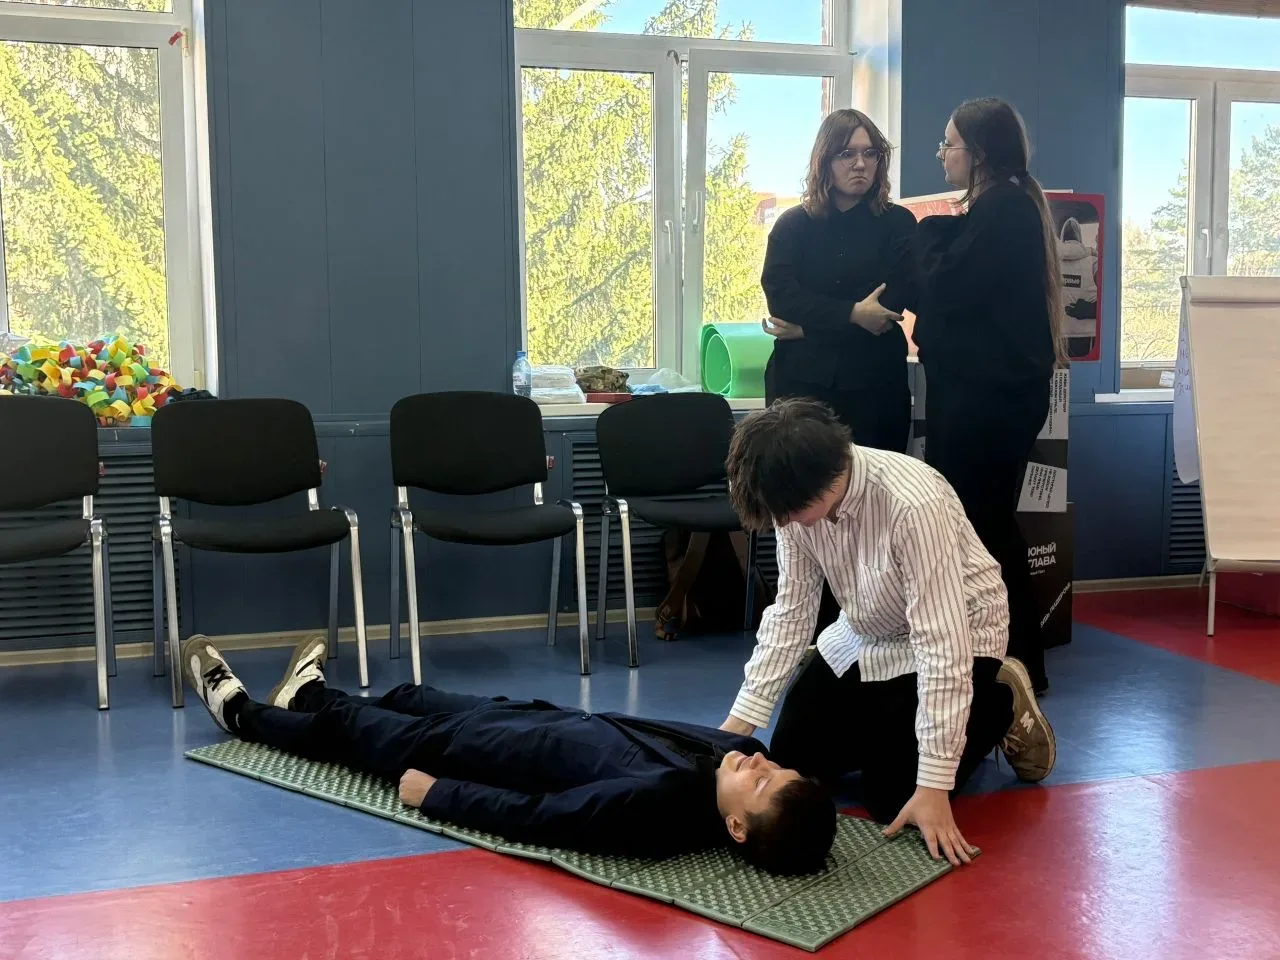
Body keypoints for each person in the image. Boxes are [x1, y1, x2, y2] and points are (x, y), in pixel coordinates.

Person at [718, 399, 1056, 867]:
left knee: (894, 796)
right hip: (864, 631)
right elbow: (791, 612)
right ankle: (889, 726)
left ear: (827, 478)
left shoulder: (913, 504)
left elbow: (941, 644)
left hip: (960, 632)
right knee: (794, 761)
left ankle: (999, 704)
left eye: (792, 513)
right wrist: (735, 728)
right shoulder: (792, 500)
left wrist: (934, 784)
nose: (787, 524)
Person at [182, 634, 837, 875]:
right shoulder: (734, 752)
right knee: (409, 694)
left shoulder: (658, 809)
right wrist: (750, 757)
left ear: (736, 827)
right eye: (775, 767)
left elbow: (545, 817)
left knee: (353, 731)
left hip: (479, 756)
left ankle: (241, 714)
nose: (760, 764)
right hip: (526, 718)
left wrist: (440, 795)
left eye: (761, 782)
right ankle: (307, 693)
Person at [913, 98, 1067, 693]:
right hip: (988, 395)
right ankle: (1005, 657)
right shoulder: (1001, 206)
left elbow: (948, 286)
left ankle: (1014, 660)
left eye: (948, 144)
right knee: (984, 522)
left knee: (983, 525)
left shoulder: (1003, 208)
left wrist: (928, 232)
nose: (942, 155)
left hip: (987, 400)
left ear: (976, 153)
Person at [758, 108, 918, 454]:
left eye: (869, 153)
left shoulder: (899, 224)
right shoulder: (793, 225)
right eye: (847, 154)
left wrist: (808, 329)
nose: (860, 164)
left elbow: (887, 308)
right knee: (800, 483)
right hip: (802, 388)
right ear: (825, 161)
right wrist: (852, 314)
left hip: (874, 387)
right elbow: (783, 300)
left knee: (874, 484)